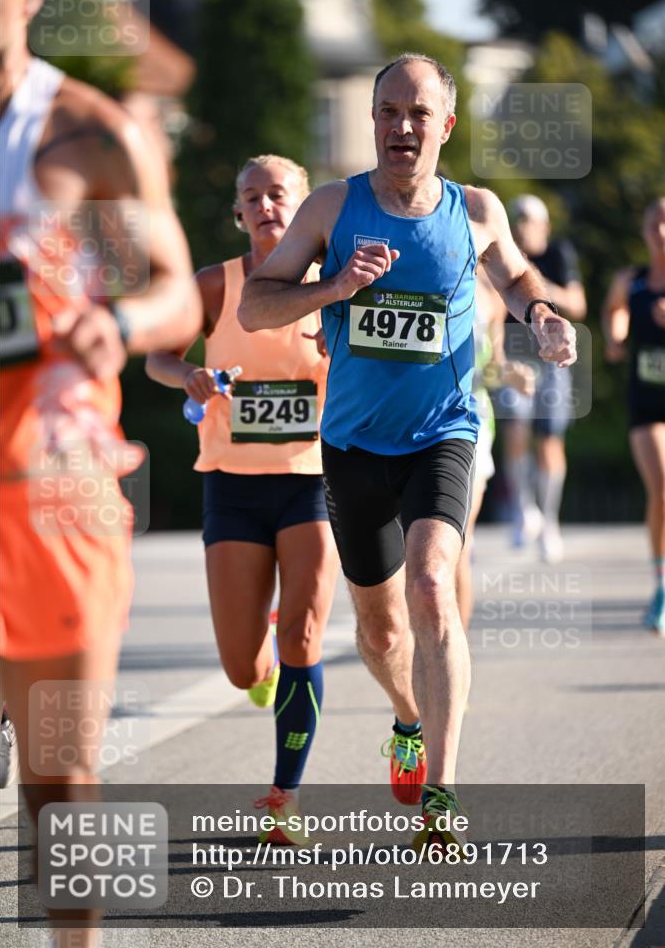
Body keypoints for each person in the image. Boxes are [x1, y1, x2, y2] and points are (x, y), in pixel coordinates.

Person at [238, 52, 576, 840]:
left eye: (417, 113)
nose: (401, 127)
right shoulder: (331, 207)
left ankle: (442, 798)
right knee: (380, 630)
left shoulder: (477, 209)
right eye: (388, 111)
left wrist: (543, 316)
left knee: (430, 588)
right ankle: (406, 720)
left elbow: (520, 278)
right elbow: (257, 307)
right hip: (353, 445)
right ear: (372, 120)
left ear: (444, 126)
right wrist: (332, 288)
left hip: (444, 432)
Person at [0, 0, 202, 943]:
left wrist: (115, 325)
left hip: (55, 494)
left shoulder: (81, 135)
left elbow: (170, 290)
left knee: (59, 782)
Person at [146, 155, 338, 842]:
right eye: (250, 197)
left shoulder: (333, 284)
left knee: (302, 639)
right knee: (240, 665)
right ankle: (261, 661)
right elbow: (156, 357)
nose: (264, 206)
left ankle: (284, 796)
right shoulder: (212, 285)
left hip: (313, 481)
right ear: (238, 214)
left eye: (277, 194)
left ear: (305, 206)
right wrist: (190, 374)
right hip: (230, 485)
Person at [495, 194, 586, 562]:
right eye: (517, 220)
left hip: (550, 359)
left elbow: (578, 304)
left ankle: (549, 520)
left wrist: (536, 285)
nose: (522, 227)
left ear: (544, 226)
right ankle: (523, 509)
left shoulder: (560, 254)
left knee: (550, 441)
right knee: (515, 427)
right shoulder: (503, 256)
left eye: (529, 220)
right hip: (514, 356)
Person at [456, 271, 536, 634]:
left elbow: (491, 364)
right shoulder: (410, 271)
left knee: (456, 542)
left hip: (470, 426)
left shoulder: (489, 296)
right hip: (405, 420)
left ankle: (450, 656)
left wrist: (510, 373)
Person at [602, 197, 665, 636]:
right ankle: (661, 583)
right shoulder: (633, 280)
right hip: (646, 404)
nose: (660, 231)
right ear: (644, 231)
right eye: (653, 223)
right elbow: (613, 311)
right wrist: (615, 337)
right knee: (661, 487)